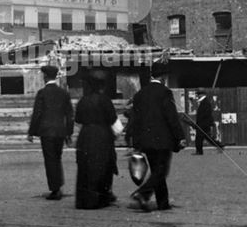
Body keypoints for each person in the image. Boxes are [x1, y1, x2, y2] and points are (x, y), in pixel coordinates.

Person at [128, 62, 186, 212]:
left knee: (156, 171)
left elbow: (135, 120)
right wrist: (180, 136)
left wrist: (136, 142)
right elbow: (171, 117)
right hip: (163, 139)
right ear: (164, 77)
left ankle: (163, 203)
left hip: (146, 140)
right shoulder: (165, 92)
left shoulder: (140, 94)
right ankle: (142, 194)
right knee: (161, 171)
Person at [27, 64, 74, 200]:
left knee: (50, 160)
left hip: (46, 132)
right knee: (57, 158)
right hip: (60, 131)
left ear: (45, 77)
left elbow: (37, 114)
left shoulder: (42, 93)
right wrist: (68, 133)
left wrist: (31, 132)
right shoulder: (64, 93)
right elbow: (69, 114)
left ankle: (55, 189)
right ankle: (58, 185)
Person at [73, 70, 119, 209]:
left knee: (85, 168)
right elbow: (113, 119)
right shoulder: (105, 100)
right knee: (102, 166)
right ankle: (101, 198)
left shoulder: (83, 100)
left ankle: (84, 200)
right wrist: (117, 133)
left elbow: (78, 119)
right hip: (102, 135)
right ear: (101, 86)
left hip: (86, 135)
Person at [193, 90, 224, 154]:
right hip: (203, 123)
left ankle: (199, 151)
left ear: (201, 95)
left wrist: (201, 123)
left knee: (199, 137)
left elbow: (206, 114)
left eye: (198, 95)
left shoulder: (205, 102)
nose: (197, 96)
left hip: (203, 124)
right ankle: (220, 145)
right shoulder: (204, 102)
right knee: (208, 138)